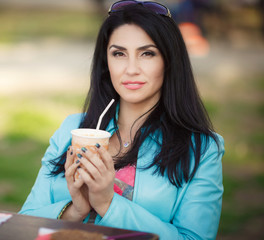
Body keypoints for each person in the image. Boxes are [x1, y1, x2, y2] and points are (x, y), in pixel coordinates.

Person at [19, 1, 225, 239]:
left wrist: (108, 203)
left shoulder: (201, 149)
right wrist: (75, 210)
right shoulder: (72, 130)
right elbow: (23, 222)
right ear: (106, 63)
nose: (131, 69)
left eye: (147, 53)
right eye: (119, 54)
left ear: (169, 62)